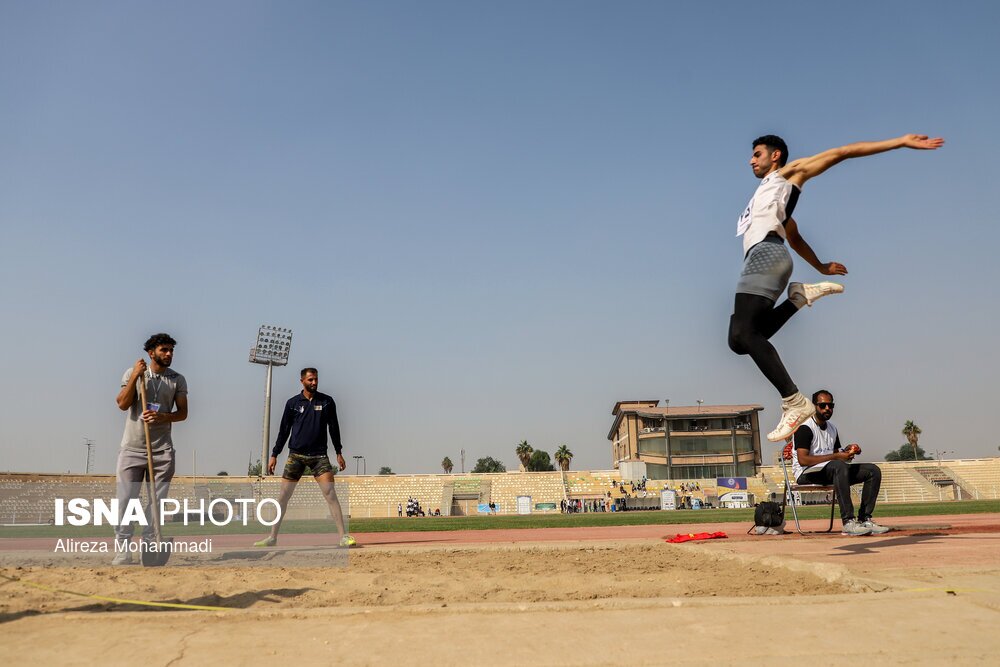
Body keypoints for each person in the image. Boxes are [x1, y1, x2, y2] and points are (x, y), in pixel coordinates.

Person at [730, 133, 944, 442]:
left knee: (744, 333)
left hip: (766, 256)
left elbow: (841, 152)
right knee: (739, 340)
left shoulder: (787, 174)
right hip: (762, 257)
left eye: (757, 154)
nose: (751, 160)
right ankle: (798, 298)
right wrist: (820, 266)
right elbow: (793, 235)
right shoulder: (770, 197)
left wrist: (899, 142)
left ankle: (794, 400)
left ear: (775, 156)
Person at [253, 368, 355, 548]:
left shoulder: (327, 402)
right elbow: (284, 431)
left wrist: (338, 452)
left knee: (330, 493)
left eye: (316, 379)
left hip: (319, 456)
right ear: (302, 381)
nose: (314, 382)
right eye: (310, 380)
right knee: (283, 496)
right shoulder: (292, 403)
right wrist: (274, 454)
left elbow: (334, 428)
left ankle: (343, 537)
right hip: (296, 456)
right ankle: (272, 537)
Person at [112, 333, 188, 565]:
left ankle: (149, 544)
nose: (169, 354)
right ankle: (123, 549)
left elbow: (183, 413)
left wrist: (162, 416)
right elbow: (122, 404)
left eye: (171, 350)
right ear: (150, 352)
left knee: (156, 502)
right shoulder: (133, 373)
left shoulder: (177, 379)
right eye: (164, 350)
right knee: (126, 500)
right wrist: (136, 375)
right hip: (132, 448)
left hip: (162, 451)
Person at [792, 390, 889, 536]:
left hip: (831, 470)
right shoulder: (805, 428)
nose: (827, 409)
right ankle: (848, 522)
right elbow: (803, 460)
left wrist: (847, 452)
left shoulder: (832, 428)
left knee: (873, 470)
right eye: (823, 405)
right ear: (814, 406)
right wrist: (837, 456)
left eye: (830, 405)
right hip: (806, 473)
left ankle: (865, 519)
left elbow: (836, 455)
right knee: (838, 466)